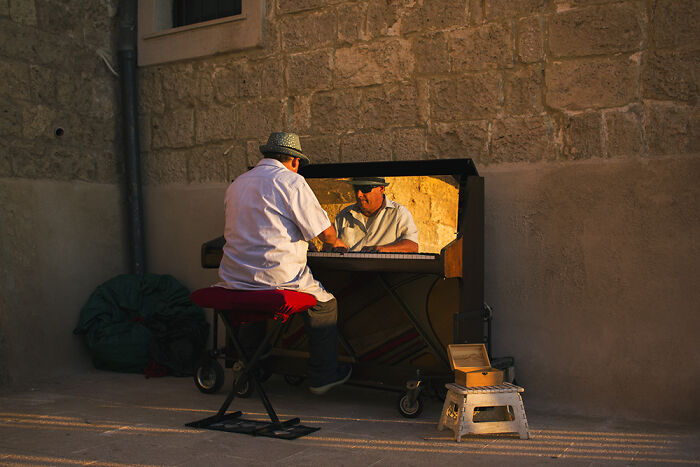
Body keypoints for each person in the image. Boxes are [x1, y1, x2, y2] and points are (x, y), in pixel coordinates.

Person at [216, 132, 351, 395]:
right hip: (278, 280)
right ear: (295, 161)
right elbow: (323, 231)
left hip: (234, 278)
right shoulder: (292, 181)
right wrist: (336, 242)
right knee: (325, 304)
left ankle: (250, 366)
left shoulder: (237, 183)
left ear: (266, 155)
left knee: (253, 307)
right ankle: (322, 376)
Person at [333, 177, 419, 253]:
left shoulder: (398, 213)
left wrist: (382, 250)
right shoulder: (344, 215)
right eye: (356, 189)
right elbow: (329, 245)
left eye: (365, 189)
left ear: (381, 189)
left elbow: (412, 247)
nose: (359, 195)